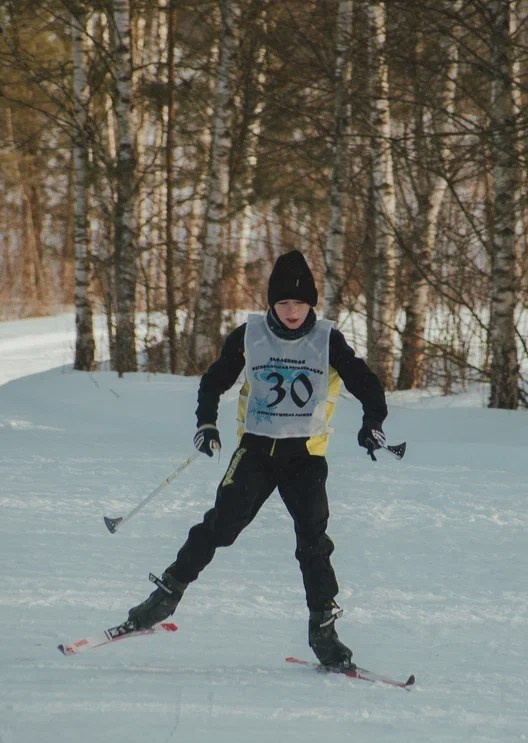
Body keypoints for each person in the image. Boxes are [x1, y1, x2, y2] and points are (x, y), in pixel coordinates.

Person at [123, 249, 389, 669]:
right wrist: (206, 423)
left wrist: (373, 423)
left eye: (300, 303)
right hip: (255, 453)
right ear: (271, 303)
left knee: (313, 544)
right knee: (220, 527)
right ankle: (163, 598)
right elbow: (214, 382)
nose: (292, 311)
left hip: (305, 457)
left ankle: (324, 633)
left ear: (311, 304)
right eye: (283, 303)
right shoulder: (249, 336)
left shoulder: (326, 339)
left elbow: (366, 382)